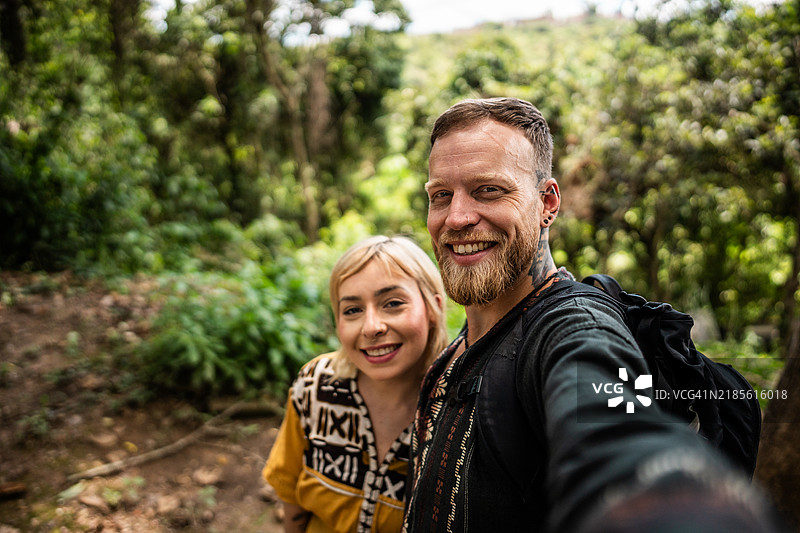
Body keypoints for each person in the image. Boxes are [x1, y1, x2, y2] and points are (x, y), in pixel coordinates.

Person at [401, 97, 783, 533]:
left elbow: (613, 433)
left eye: (489, 190)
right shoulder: (457, 351)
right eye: (441, 196)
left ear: (547, 202)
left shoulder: (574, 325)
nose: (457, 217)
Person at [264, 235, 448, 533]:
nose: (371, 327)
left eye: (393, 303)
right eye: (352, 310)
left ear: (433, 309)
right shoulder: (315, 386)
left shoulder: (456, 404)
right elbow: (290, 490)